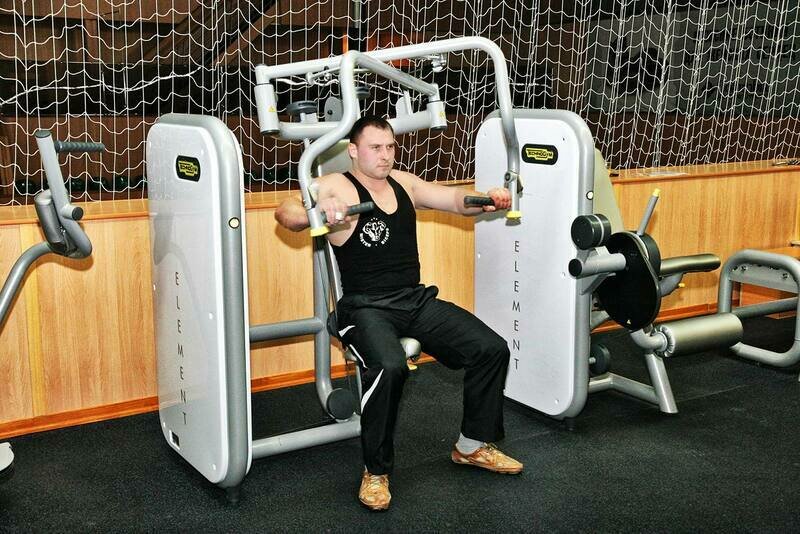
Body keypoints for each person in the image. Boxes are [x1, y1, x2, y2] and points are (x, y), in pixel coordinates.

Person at [275, 116, 523, 511]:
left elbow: (455, 201)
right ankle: (376, 471)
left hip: (414, 301)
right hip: (364, 307)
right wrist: (318, 211)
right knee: (389, 367)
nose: (385, 155)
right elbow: (286, 212)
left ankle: (472, 445)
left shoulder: (404, 183)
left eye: (390, 146)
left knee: (490, 348)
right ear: (353, 150)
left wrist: (487, 199)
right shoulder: (336, 184)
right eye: (375, 147)